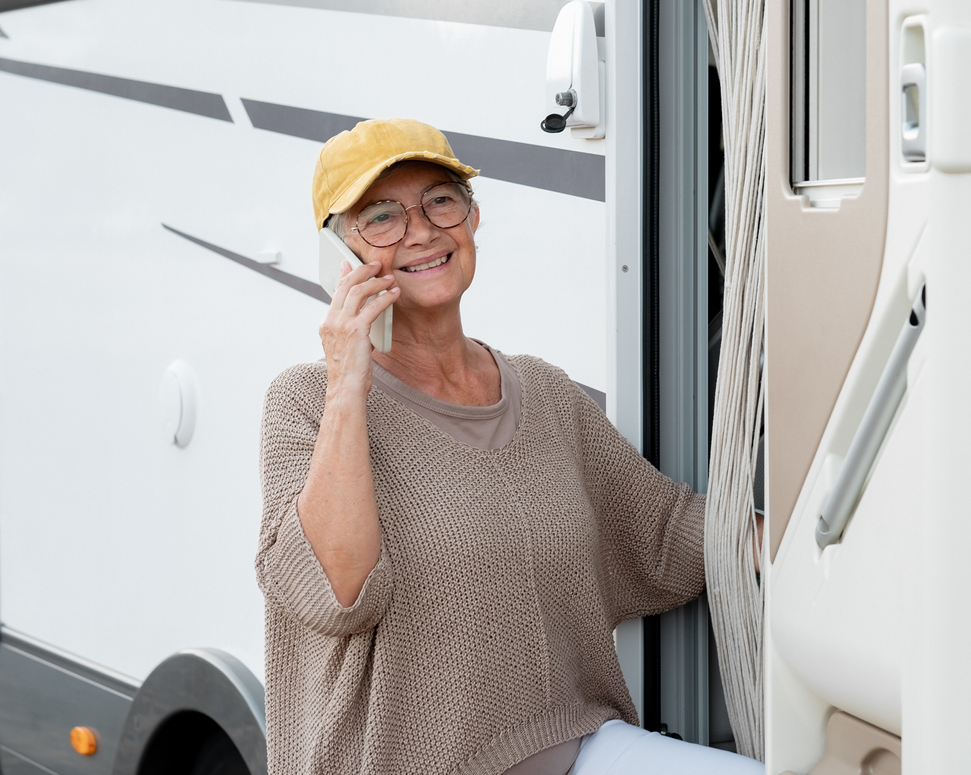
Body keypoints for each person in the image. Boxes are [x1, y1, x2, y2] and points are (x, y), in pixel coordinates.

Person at [255, 118, 763, 775]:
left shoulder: (544, 391)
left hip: (578, 751)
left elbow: (665, 535)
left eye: (441, 200)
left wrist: (808, 536)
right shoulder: (304, 402)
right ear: (340, 254)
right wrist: (347, 384)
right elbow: (338, 592)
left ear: (471, 220)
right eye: (380, 216)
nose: (422, 230)